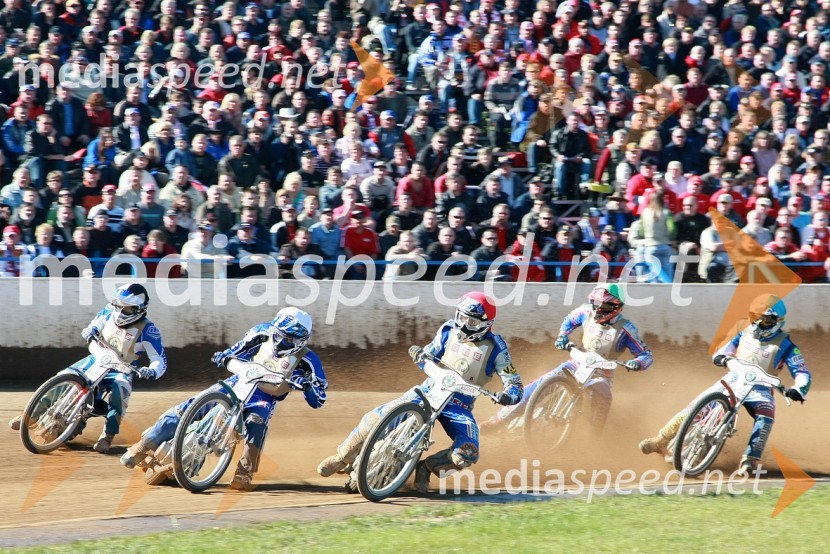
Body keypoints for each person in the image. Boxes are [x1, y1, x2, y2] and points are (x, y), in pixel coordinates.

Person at [316, 292, 523, 493]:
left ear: (487, 325)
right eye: (461, 318)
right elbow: (429, 352)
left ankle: (426, 467)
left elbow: (514, 382)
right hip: (429, 389)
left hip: (459, 405)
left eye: (472, 323)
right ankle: (341, 457)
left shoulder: (497, 349)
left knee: (467, 453)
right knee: (374, 419)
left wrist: (508, 395)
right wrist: (419, 353)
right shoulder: (447, 330)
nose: (463, 325)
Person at [120, 307, 327, 491]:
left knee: (257, 422)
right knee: (193, 404)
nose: (281, 341)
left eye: (288, 339)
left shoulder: (308, 359)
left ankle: (243, 473)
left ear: (301, 340)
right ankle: (143, 445)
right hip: (239, 381)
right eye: (279, 334)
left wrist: (307, 385)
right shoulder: (262, 332)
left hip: (264, 397)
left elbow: (320, 398)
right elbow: (238, 350)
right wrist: (225, 355)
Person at [640, 294, 810, 474]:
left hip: (761, 389)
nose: (759, 324)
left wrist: (798, 389)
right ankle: (659, 440)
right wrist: (721, 356)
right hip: (733, 379)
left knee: (766, 418)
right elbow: (726, 348)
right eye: (755, 317)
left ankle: (750, 460)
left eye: (766, 320)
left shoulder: (787, 345)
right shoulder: (744, 332)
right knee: (694, 407)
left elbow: (802, 372)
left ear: (778, 321)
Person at [9, 284, 167, 455]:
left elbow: (160, 360)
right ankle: (30, 417)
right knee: (63, 378)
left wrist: (151, 371)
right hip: (96, 358)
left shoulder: (149, 330)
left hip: (121, 370)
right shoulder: (109, 310)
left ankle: (107, 436)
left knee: (119, 393)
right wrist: (90, 330)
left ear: (138, 309)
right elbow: (95, 324)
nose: (120, 311)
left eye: (126, 308)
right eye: (118, 306)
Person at [482, 284, 652, 434]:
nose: (598, 310)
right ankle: (497, 421)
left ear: (617, 307)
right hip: (577, 363)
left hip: (602, 373)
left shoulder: (626, 329)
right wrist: (563, 336)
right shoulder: (586, 312)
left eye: (604, 306)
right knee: (538, 385)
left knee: (604, 397)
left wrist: (637, 363)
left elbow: (646, 354)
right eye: (596, 304)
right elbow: (569, 320)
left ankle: (594, 437)